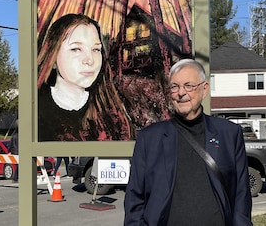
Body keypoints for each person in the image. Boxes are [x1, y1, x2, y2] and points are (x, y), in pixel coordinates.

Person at [124, 59, 252, 226]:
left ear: (204, 89)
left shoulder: (229, 134)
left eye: (188, 85)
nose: (181, 92)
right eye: (174, 86)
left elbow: (241, 194)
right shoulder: (149, 139)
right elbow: (135, 198)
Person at [37, 13, 133, 141]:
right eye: (76, 49)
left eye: (96, 50)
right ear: (53, 57)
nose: (90, 60)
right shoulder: (36, 109)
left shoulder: (112, 110)